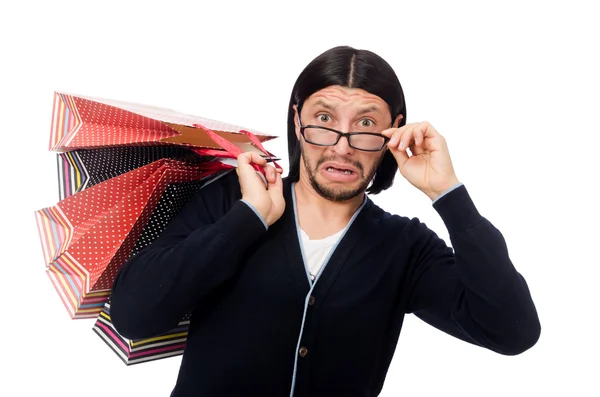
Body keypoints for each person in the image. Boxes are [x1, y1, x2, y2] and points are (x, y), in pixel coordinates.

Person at [110, 45, 541, 397]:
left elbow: (512, 330)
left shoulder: (405, 248)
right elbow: (134, 314)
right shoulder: (234, 201)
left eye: (366, 124)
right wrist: (248, 219)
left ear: (395, 131)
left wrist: (447, 195)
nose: (342, 145)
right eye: (324, 119)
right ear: (298, 122)